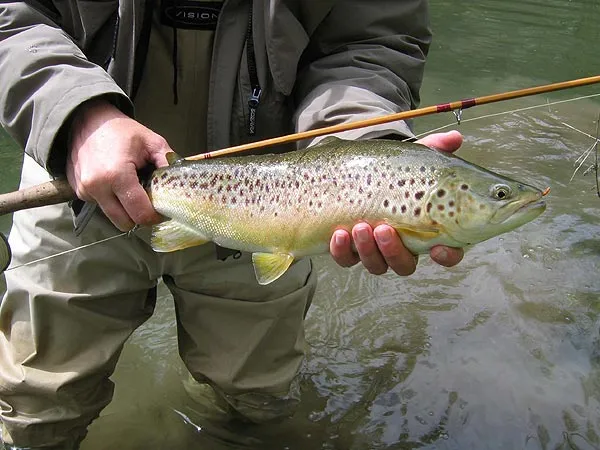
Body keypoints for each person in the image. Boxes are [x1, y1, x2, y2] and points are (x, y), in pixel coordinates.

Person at [0, 1, 463, 448]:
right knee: (35, 405)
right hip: (76, 161)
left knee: (256, 401)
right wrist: (77, 114)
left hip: (272, 191)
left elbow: (372, 42)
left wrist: (364, 144)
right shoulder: (75, 127)